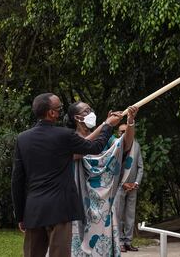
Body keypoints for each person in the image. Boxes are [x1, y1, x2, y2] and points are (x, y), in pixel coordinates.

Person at [11, 93, 122, 257]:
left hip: (34, 210)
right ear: (51, 113)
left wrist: (20, 215)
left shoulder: (23, 138)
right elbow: (95, 147)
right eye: (59, 108)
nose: (61, 111)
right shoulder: (64, 135)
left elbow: (17, 180)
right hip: (60, 209)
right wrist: (107, 125)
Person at [65, 101, 138, 257]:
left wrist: (130, 121)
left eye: (91, 109)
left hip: (103, 202)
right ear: (77, 117)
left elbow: (125, 145)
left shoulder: (105, 138)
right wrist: (106, 125)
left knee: (101, 242)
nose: (91, 112)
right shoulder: (70, 138)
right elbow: (81, 148)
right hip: (79, 199)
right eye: (87, 110)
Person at [114, 123, 144, 252]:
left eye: (126, 131)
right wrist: (122, 183)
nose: (123, 134)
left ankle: (128, 241)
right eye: (121, 132)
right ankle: (119, 242)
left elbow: (140, 167)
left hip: (133, 187)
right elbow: (112, 168)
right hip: (119, 186)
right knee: (118, 215)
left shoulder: (136, 146)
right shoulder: (115, 146)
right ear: (117, 133)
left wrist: (136, 183)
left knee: (130, 216)